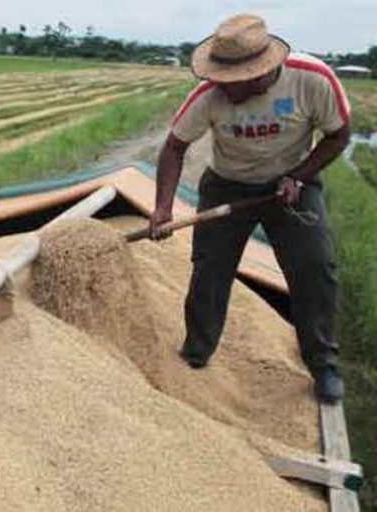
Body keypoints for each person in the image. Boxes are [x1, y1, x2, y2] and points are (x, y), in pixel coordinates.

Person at [151, 13, 351, 403]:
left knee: (315, 268)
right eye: (219, 80)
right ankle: (196, 352)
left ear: (261, 72)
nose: (222, 89)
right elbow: (175, 147)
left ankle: (324, 364)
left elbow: (339, 135)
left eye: (232, 83)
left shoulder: (312, 80)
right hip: (227, 185)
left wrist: (299, 175)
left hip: (292, 183)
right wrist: (162, 208)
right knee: (210, 270)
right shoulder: (209, 96)